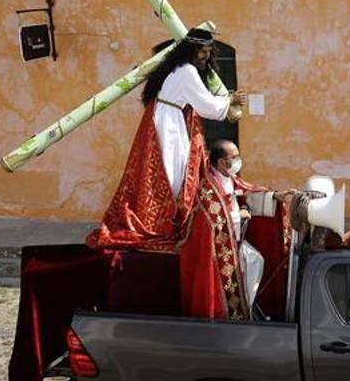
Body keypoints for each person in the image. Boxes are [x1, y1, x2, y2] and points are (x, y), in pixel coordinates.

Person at [86, 28, 247, 252]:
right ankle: (161, 224)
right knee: (170, 175)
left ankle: (163, 220)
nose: (207, 56)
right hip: (169, 126)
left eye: (209, 51)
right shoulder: (186, 71)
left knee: (170, 174)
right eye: (203, 51)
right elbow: (207, 106)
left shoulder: (176, 67)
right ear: (192, 50)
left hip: (168, 119)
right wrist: (230, 99)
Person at [180, 140, 295, 321]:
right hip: (218, 253)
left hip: (237, 243)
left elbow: (248, 195)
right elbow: (214, 222)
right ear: (221, 162)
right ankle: (234, 315)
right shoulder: (207, 189)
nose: (238, 160)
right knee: (251, 263)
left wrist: (275, 196)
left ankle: (246, 309)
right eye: (234, 157)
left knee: (255, 261)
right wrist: (239, 216)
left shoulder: (230, 179)